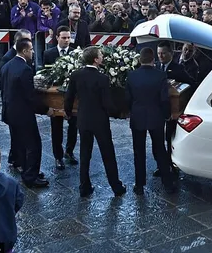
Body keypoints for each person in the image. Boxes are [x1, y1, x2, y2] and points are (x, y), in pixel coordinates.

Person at [65, 46, 126, 198]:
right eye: (100, 55)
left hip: (83, 119)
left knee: (85, 153)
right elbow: (107, 103)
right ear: (95, 59)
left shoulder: (76, 75)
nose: (102, 57)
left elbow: (69, 97)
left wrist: (68, 113)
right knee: (108, 154)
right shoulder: (102, 78)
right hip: (100, 122)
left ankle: (84, 187)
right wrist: (118, 113)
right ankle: (116, 186)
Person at [0, 39, 53, 188]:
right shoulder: (25, 69)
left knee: (21, 144)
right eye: (31, 50)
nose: (33, 52)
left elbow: (1, 86)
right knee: (34, 145)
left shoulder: (7, 65)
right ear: (24, 51)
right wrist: (46, 109)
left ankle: (27, 171)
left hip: (10, 112)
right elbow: (30, 96)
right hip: (23, 114)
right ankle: (30, 176)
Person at [126, 47, 175, 195]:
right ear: (153, 59)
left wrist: (131, 111)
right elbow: (164, 99)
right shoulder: (160, 75)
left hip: (138, 116)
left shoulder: (131, 76)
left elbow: (128, 98)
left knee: (138, 151)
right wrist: (167, 115)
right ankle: (167, 183)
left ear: (140, 60)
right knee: (159, 149)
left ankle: (139, 185)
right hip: (156, 116)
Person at [42, 26, 78, 170]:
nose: (67, 40)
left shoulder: (75, 53)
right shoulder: (48, 53)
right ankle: (58, 156)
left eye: (69, 37)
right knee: (56, 127)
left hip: (73, 96)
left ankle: (69, 151)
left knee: (74, 125)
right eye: (64, 38)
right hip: (55, 96)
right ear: (57, 37)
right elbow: (45, 73)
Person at [0, 28, 31, 171]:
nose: (30, 43)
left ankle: (15, 158)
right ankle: (18, 160)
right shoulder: (8, 58)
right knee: (16, 135)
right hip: (13, 103)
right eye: (26, 40)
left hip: (18, 103)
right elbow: (1, 83)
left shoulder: (25, 54)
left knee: (18, 135)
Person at [155, 40, 190, 176]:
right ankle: (161, 165)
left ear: (170, 53)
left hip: (172, 109)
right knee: (158, 138)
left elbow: (189, 82)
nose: (161, 56)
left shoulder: (178, 68)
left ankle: (171, 163)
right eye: (158, 53)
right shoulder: (156, 67)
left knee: (170, 137)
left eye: (163, 53)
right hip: (158, 109)